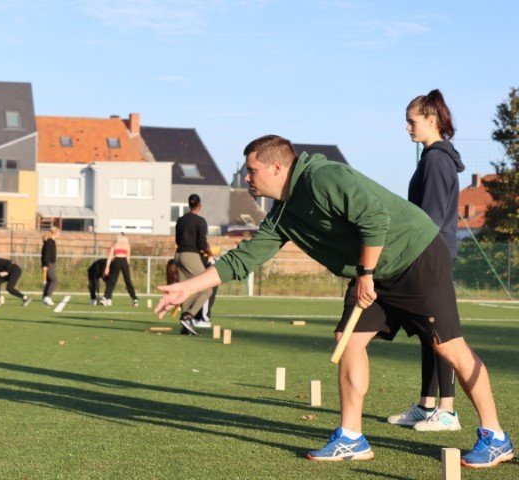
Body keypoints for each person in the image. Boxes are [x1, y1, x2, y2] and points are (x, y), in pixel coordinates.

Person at [155, 135, 513, 468]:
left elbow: (375, 217)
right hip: (372, 268)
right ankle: (352, 437)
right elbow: (242, 259)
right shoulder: (283, 214)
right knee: (348, 341)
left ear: (277, 167)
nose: (247, 177)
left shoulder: (324, 177)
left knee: (447, 347)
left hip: (415, 255)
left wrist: (366, 274)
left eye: (252, 170)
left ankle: (495, 437)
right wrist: (187, 288)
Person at [387, 89, 465, 432]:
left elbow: (429, 219)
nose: (407, 128)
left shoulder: (435, 159)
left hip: (432, 254)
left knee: (439, 330)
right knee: (427, 331)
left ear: (431, 120)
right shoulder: (431, 158)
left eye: (411, 121)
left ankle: (446, 411)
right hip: (432, 252)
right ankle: (426, 405)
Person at [173, 194, 214, 334]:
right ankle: (189, 316)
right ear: (199, 205)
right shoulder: (200, 221)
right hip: (191, 255)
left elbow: (178, 241)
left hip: (178, 255)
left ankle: (185, 326)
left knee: (186, 288)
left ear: (189, 204)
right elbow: (202, 244)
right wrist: (209, 252)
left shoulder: (181, 220)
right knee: (207, 287)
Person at [100, 232, 139, 307]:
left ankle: (105, 298)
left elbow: (110, 257)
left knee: (112, 281)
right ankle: (135, 299)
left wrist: (107, 267)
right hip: (124, 262)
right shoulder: (127, 246)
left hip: (116, 261)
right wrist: (127, 267)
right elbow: (128, 258)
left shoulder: (115, 245)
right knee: (128, 281)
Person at [41, 227, 59, 306]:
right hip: (48, 264)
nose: (59, 234)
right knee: (54, 280)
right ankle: (47, 297)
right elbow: (46, 254)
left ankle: (45, 298)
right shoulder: (49, 242)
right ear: (55, 233)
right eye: (58, 232)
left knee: (49, 281)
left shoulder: (51, 241)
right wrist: (45, 265)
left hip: (50, 263)